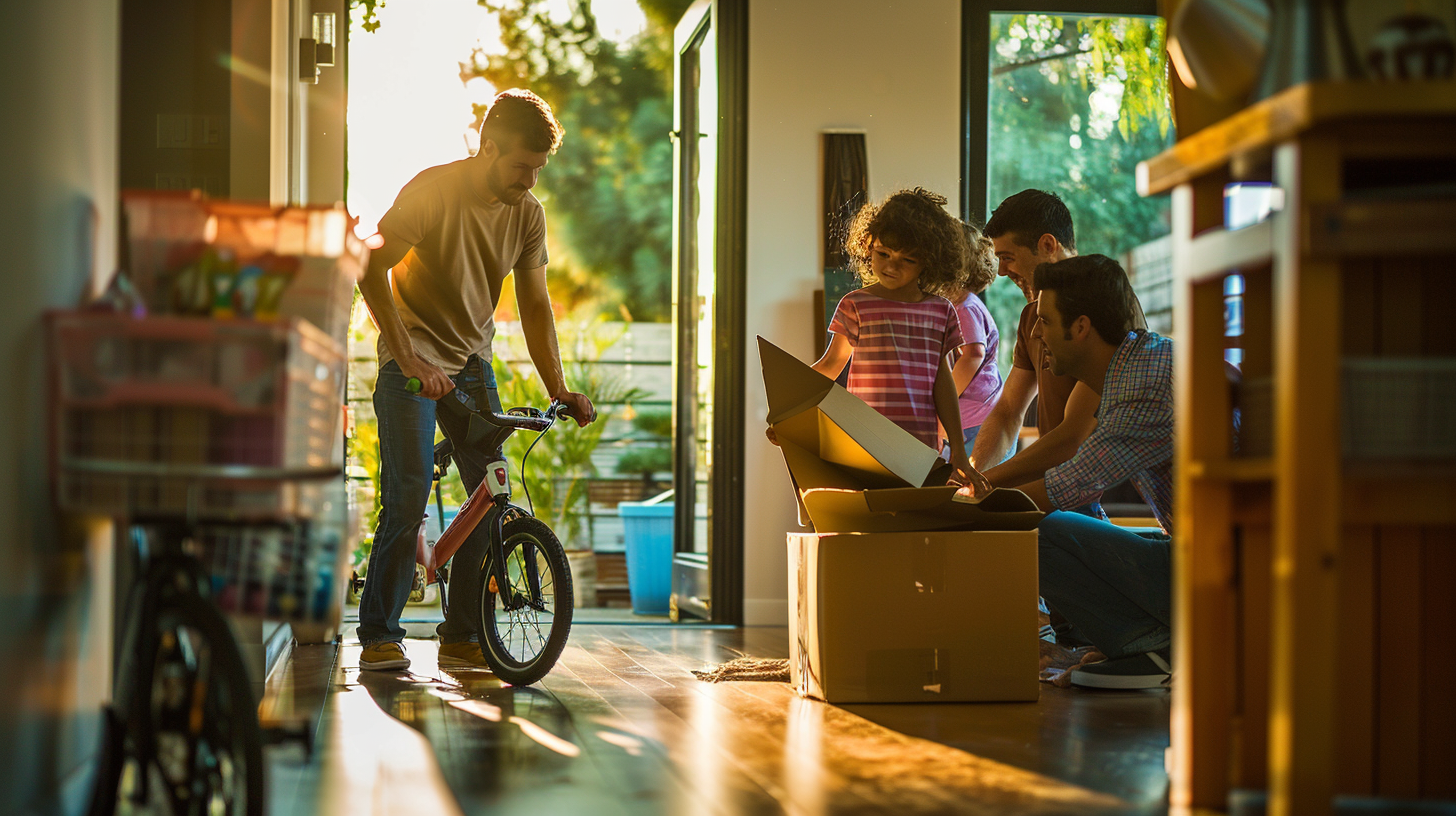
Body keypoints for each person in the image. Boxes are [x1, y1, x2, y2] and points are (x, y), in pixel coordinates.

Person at [355, 89, 596, 672]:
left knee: (490, 492)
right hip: (409, 361)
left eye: (538, 168)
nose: (530, 180)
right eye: (520, 166)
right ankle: (380, 634)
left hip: (470, 362)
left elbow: (536, 306)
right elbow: (369, 266)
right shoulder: (433, 191)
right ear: (487, 146)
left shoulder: (527, 215)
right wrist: (410, 358)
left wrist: (557, 386)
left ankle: (461, 632)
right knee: (408, 496)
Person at [972, 254, 1174, 689]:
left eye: (1043, 320)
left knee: (1035, 527)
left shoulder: (1143, 387)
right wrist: (981, 483)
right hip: (1198, 554)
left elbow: (1069, 484)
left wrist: (966, 505)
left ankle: (1151, 646)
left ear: (1081, 327)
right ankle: (1147, 641)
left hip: (1223, 573)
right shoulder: (1139, 364)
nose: (1036, 332)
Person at [770, 188, 985, 490]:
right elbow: (831, 364)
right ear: (867, 245)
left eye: (907, 259)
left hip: (920, 448)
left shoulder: (941, 310)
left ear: (930, 261)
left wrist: (960, 453)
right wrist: (788, 413)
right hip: (864, 444)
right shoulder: (856, 304)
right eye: (883, 253)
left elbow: (943, 381)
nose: (891, 266)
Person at [970, 191, 1101, 493]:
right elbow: (1007, 412)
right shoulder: (1031, 316)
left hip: (1085, 491)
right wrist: (974, 472)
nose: (1001, 272)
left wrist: (989, 483)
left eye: (1007, 257)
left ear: (1047, 245)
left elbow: (1074, 435)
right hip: (1052, 486)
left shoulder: (1105, 309)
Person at [943, 223, 1004, 464]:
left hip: (974, 419)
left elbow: (973, 354)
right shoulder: (963, 305)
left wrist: (944, 403)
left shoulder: (965, 308)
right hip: (972, 417)